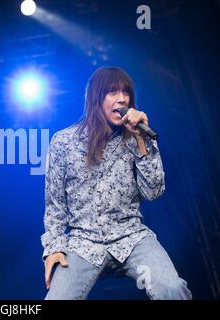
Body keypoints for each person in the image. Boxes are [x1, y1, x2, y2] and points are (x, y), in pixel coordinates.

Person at [41, 66, 192, 300]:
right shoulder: (63, 142)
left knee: (171, 289)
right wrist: (53, 248)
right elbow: (55, 205)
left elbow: (153, 191)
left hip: (131, 238)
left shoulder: (136, 137)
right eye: (112, 92)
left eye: (126, 92)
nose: (122, 98)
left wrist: (142, 141)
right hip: (84, 244)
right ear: (95, 98)